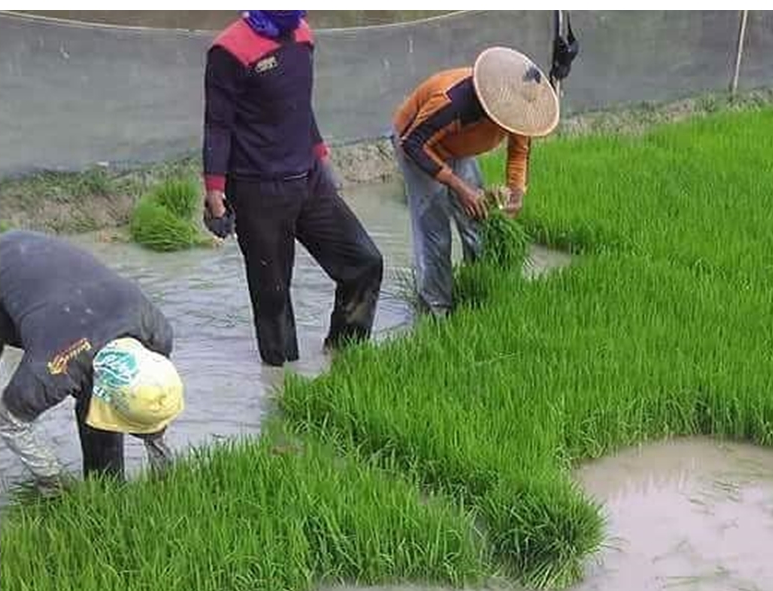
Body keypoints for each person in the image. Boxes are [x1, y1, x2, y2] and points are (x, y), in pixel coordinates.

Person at [200, 10, 383, 367]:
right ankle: (282, 383)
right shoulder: (229, 50)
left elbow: (300, 105)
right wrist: (214, 191)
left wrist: (321, 156)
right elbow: (217, 125)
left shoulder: (302, 34)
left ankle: (344, 358)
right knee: (273, 298)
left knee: (364, 262)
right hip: (257, 188)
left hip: (308, 177)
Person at [390, 29, 573, 318]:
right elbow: (412, 143)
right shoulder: (453, 102)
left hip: (456, 145)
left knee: (479, 220)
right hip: (418, 143)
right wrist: (459, 186)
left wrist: (516, 193)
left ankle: (479, 289)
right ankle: (438, 310)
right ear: (495, 105)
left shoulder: (522, 108)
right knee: (435, 233)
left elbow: (519, 151)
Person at [0, 229, 185, 490]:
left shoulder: (158, 334)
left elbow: (148, 404)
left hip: (62, 287)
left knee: (110, 402)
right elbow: (9, 422)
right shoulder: (52, 369)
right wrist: (55, 479)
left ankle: (105, 489)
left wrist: (166, 481)